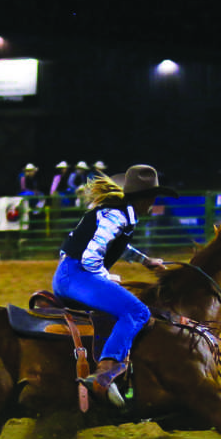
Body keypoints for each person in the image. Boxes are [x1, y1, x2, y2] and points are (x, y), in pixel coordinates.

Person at [53, 164, 177, 407]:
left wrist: (145, 260)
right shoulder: (117, 215)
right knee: (138, 311)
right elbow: (91, 257)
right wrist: (105, 277)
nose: (153, 202)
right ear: (145, 198)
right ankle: (105, 373)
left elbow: (117, 245)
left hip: (69, 274)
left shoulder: (117, 213)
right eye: (152, 197)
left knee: (124, 306)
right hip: (77, 275)